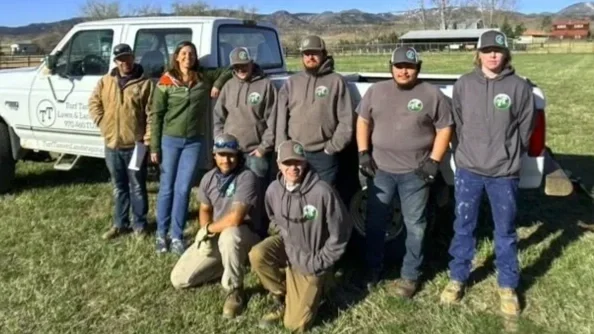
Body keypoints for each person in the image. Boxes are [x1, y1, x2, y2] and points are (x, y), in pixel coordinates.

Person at [439, 30, 536, 318]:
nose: (493, 55)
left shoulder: (519, 87)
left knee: (505, 231)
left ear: (506, 54)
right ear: (478, 54)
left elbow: (526, 129)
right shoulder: (464, 85)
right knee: (463, 226)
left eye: (498, 50)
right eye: (487, 50)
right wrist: (464, 155)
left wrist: (509, 157)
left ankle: (507, 285)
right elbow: (455, 122)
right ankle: (458, 277)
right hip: (469, 170)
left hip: (503, 173)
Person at [356, 46, 453, 296]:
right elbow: (363, 120)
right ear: (391, 68)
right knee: (375, 222)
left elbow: (444, 128)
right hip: (380, 170)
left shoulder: (432, 94)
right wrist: (363, 153)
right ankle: (372, 269)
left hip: (416, 172)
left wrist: (434, 160)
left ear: (417, 68)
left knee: (416, 225)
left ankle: (410, 275)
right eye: (399, 66)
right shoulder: (376, 91)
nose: (403, 71)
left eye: (409, 67)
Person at [248, 139, 353, 332]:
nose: (293, 168)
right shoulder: (273, 190)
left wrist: (319, 262)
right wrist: (286, 236)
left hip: (312, 257)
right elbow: (273, 218)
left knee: (294, 325)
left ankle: (322, 284)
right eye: (287, 163)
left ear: (305, 163)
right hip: (289, 246)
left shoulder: (322, 192)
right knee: (257, 254)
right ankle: (283, 294)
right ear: (279, 165)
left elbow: (342, 232)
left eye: (298, 162)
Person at [151, 40, 233, 255]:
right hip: (170, 140)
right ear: (177, 57)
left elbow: (229, 70)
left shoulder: (203, 77)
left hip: (194, 141)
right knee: (167, 187)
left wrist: (217, 84)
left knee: (184, 188)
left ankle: (176, 235)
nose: (188, 57)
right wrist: (154, 147)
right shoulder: (165, 82)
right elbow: (157, 116)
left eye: (192, 53)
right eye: (184, 53)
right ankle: (161, 234)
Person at [170, 133, 262, 318]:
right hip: (216, 233)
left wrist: (207, 230)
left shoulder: (246, 177)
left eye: (230, 155)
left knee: (230, 235)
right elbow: (204, 210)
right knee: (179, 280)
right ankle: (228, 264)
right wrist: (207, 234)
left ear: (238, 155)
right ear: (214, 155)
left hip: (245, 233)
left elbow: (235, 218)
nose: (226, 159)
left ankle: (235, 290)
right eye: (221, 154)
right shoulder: (208, 178)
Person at [88, 43, 154, 240]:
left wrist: (147, 139)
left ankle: (140, 225)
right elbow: (93, 103)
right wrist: (102, 123)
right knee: (119, 187)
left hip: (136, 146)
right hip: (112, 145)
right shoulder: (106, 81)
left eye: (127, 58)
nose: (124, 62)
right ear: (115, 61)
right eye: (120, 59)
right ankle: (120, 223)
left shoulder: (145, 83)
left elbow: (151, 115)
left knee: (138, 187)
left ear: (133, 58)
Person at [275, 35, 354, 186]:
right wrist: (282, 147)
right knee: (294, 196)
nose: (310, 57)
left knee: (323, 199)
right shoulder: (292, 82)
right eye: (306, 54)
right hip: (294, 154)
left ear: (323, 54)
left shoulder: (336, 81)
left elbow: (346, 120)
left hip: (324, 156)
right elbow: (281, 119)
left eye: (314, 53)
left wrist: (332, 147)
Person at [213, 46, 277, 181]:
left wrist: (263, 148)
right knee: (233, 193)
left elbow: (273, 121)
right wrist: (220, 141)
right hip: (231, 152)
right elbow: (219, 116)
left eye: (244, 65)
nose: (241, 69)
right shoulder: (228, 86)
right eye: (237, 66)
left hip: (256, 153)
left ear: (251, 64)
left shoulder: (265, 85)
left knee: (257, 192)